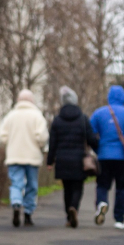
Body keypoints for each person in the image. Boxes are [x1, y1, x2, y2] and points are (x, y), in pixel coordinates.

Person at [90, 85, 124, 229]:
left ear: (109, 97)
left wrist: (98, 148)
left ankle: (101, 203)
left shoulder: (98, 113)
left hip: (104, 156)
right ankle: (119, 219)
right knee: (121, 188)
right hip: (122, 158)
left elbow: (90, 134)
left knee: (102, 185)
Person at [46, 86, 98, 228]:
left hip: (62, 159)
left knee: (67, 188)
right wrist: (100, 151)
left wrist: (50, 161)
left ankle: (69, 216)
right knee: (77, 187)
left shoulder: (57, 120)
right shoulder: (83, 119)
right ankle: (74, 207)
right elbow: (92, 139)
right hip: (78, 159)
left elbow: (52, 143)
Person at [0, 89, 48, 227]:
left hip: (14, 156)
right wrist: (39, 145)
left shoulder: (10, 116)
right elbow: (42, 137)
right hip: (32, 156)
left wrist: (11, 143)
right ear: (32, 100)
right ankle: (28, 213)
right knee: (32, 185)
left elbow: (2, 136)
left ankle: (16, 203)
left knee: (16, 183)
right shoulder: (37, 116)